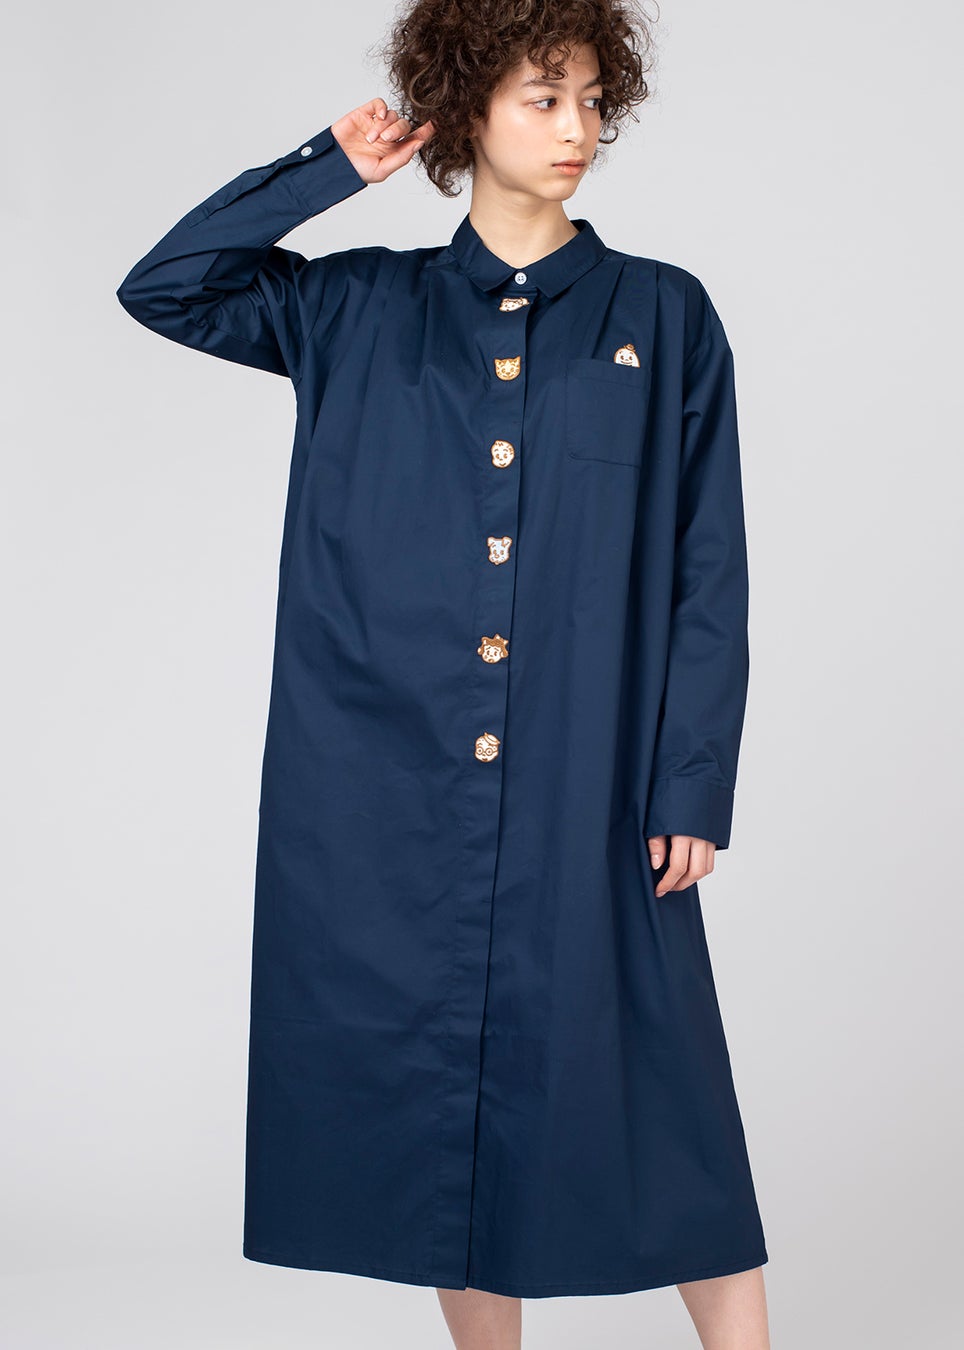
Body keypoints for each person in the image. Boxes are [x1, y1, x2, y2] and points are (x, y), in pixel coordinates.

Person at [115, 2, 772, 1347]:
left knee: (666, 1108)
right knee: (438, 1115)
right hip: (388, 788)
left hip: (588, 779)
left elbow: (708, 566)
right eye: (544, 97)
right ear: (467, 106)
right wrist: (327, 170)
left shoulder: (664, 314)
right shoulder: (356, 306)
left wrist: (691, 778)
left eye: (593, 100)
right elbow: (167, 286)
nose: (578, 128)